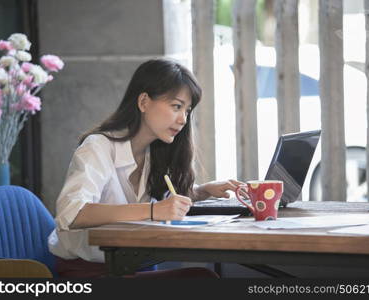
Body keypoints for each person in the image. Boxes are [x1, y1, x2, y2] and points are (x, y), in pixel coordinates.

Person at [48, 58, 247, 278]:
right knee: (201, 279)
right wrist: (154, 211)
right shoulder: (98, 147)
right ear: (144, 102)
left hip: (132, 264)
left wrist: (203, 191)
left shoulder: (154, 152)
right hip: (88, 273)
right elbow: (71, 214)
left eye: (187, 110)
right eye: (176, 106)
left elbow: (163, 195)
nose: (183, 119)